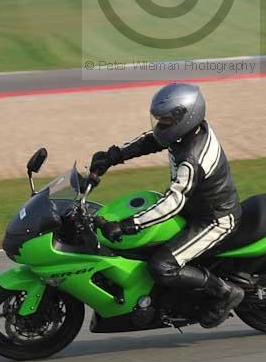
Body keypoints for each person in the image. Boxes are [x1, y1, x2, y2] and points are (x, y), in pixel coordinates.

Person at [90, 82, 244, 328]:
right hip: (194, 209)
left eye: (165, 120)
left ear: (184, 118)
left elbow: (174, 201)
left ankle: (225, 293)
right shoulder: (187, 132)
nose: (160, 124)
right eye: (158, 119)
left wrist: (129, 225)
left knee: (162, 266)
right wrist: (114, 155)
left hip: (215, 219)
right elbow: (152, 140)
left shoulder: (193, 158)